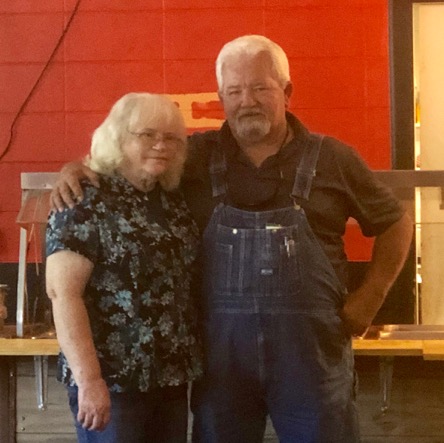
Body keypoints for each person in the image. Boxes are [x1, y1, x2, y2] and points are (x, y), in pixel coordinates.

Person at [50, 35, 413, 443]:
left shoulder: (334, 158)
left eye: (260, 88)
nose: (247, 101)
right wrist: (77, 169)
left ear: (287, 92)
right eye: (235, 91)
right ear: (221, 97)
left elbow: (396, 221)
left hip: (312, 359)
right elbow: (130, 164)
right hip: (220, 364)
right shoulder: (193, 156)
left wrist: (372, 296)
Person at [46, 92, 202, 443]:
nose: (161, 145)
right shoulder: (84, 199)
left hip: (169, 379)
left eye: (171, 138)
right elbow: (62, 293)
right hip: (112, 384)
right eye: (147, 134)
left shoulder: (173, 201)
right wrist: (89, 381)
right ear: (117, 137)